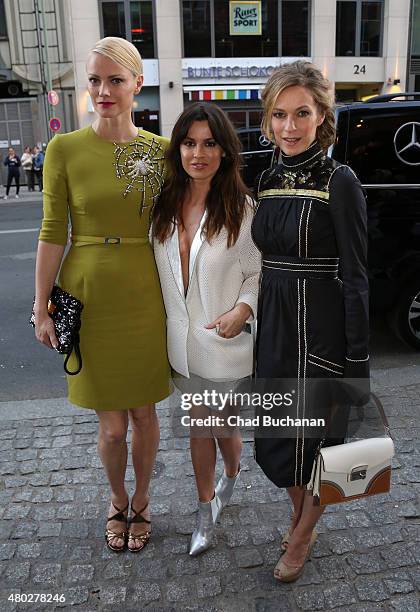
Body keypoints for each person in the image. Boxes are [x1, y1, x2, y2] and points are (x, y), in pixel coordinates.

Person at [33, 37, 170, 553]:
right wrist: (41, 304)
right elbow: (51, 231)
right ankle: (117, 500)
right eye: (94, 79)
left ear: (138, 83)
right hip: (87, 290)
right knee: (112, 428)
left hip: (144, 293)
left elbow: (180, 226)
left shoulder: (159, 152)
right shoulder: (63, 149)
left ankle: (143, 499)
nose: (103, 90)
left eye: (115, 80)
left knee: (144, 415)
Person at [252, 61, 369, 582]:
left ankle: (300, 538)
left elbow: (358, 275)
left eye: (302, 113)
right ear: (267, 119)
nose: (290, 126)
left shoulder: (340, 180)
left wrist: (357, 360)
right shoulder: (268, 175)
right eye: (280, 114)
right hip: (274, 326)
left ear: (323, 115)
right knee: (277, 441)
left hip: (319, 329)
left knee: (318, 444)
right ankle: (303, 517)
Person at [153, 102, 261, 556]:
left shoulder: (241, 208)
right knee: (215, 426)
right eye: (189, 143)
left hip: (222, 345)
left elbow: (258, 273)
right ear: (178, 147)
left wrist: (244, 309)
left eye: (210, 144)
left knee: (208, 426)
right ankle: (219, 488)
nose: (198, 153)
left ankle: (215, 497)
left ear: (225, 152)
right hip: (180, 347)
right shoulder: (162, 205)